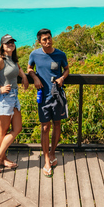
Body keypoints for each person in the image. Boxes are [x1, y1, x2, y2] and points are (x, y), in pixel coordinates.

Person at [0, 34, 29, 173]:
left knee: (17, 128)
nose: (10, 45)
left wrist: (24, 76)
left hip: (14, 97)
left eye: (12, 42)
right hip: (5, 98)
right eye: (7, 43)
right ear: (2, 46)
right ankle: (0, 158)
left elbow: (18, 68)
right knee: (3, 130)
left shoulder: (12, 59)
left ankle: (0, 157)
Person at [27, 28, 69, 177]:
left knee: (57, 124)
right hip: (43, 96)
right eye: (44, 39)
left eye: (49, 38)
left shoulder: (60, 54)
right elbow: (29, 68)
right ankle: (45, 159)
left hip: (57, 95)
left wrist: (62, 78)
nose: (47, 41)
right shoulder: (35, 54)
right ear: (39, 42)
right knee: (45, 127)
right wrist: (35, 78)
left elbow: (67, 69)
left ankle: (52, 153)